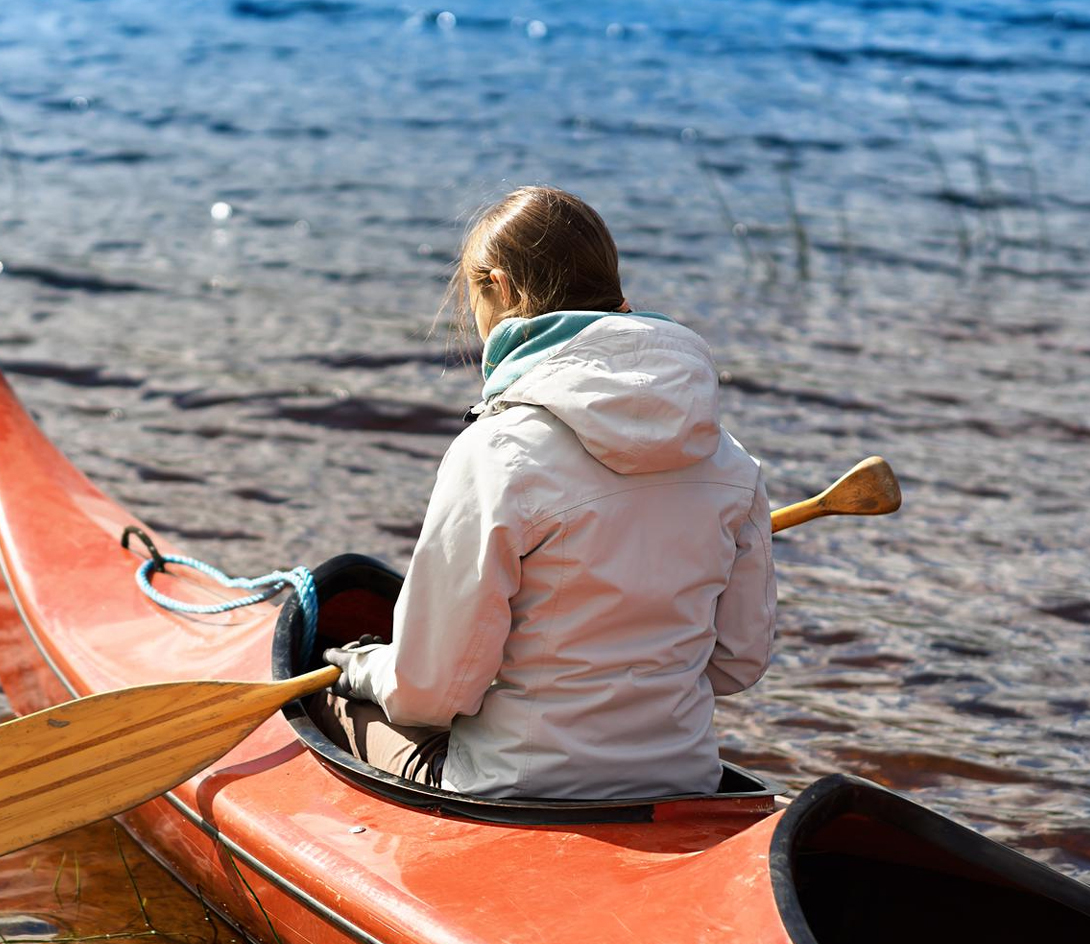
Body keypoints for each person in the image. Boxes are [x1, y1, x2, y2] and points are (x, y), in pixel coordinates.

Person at [316, 185, 775, 801]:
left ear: (500, 288)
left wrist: (363, 669)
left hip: (514, 791)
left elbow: (433, 693)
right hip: (680, 783)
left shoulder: (498, 452)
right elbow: (737, 662)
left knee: (321, 696)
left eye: (475, 300)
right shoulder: (733, 464)